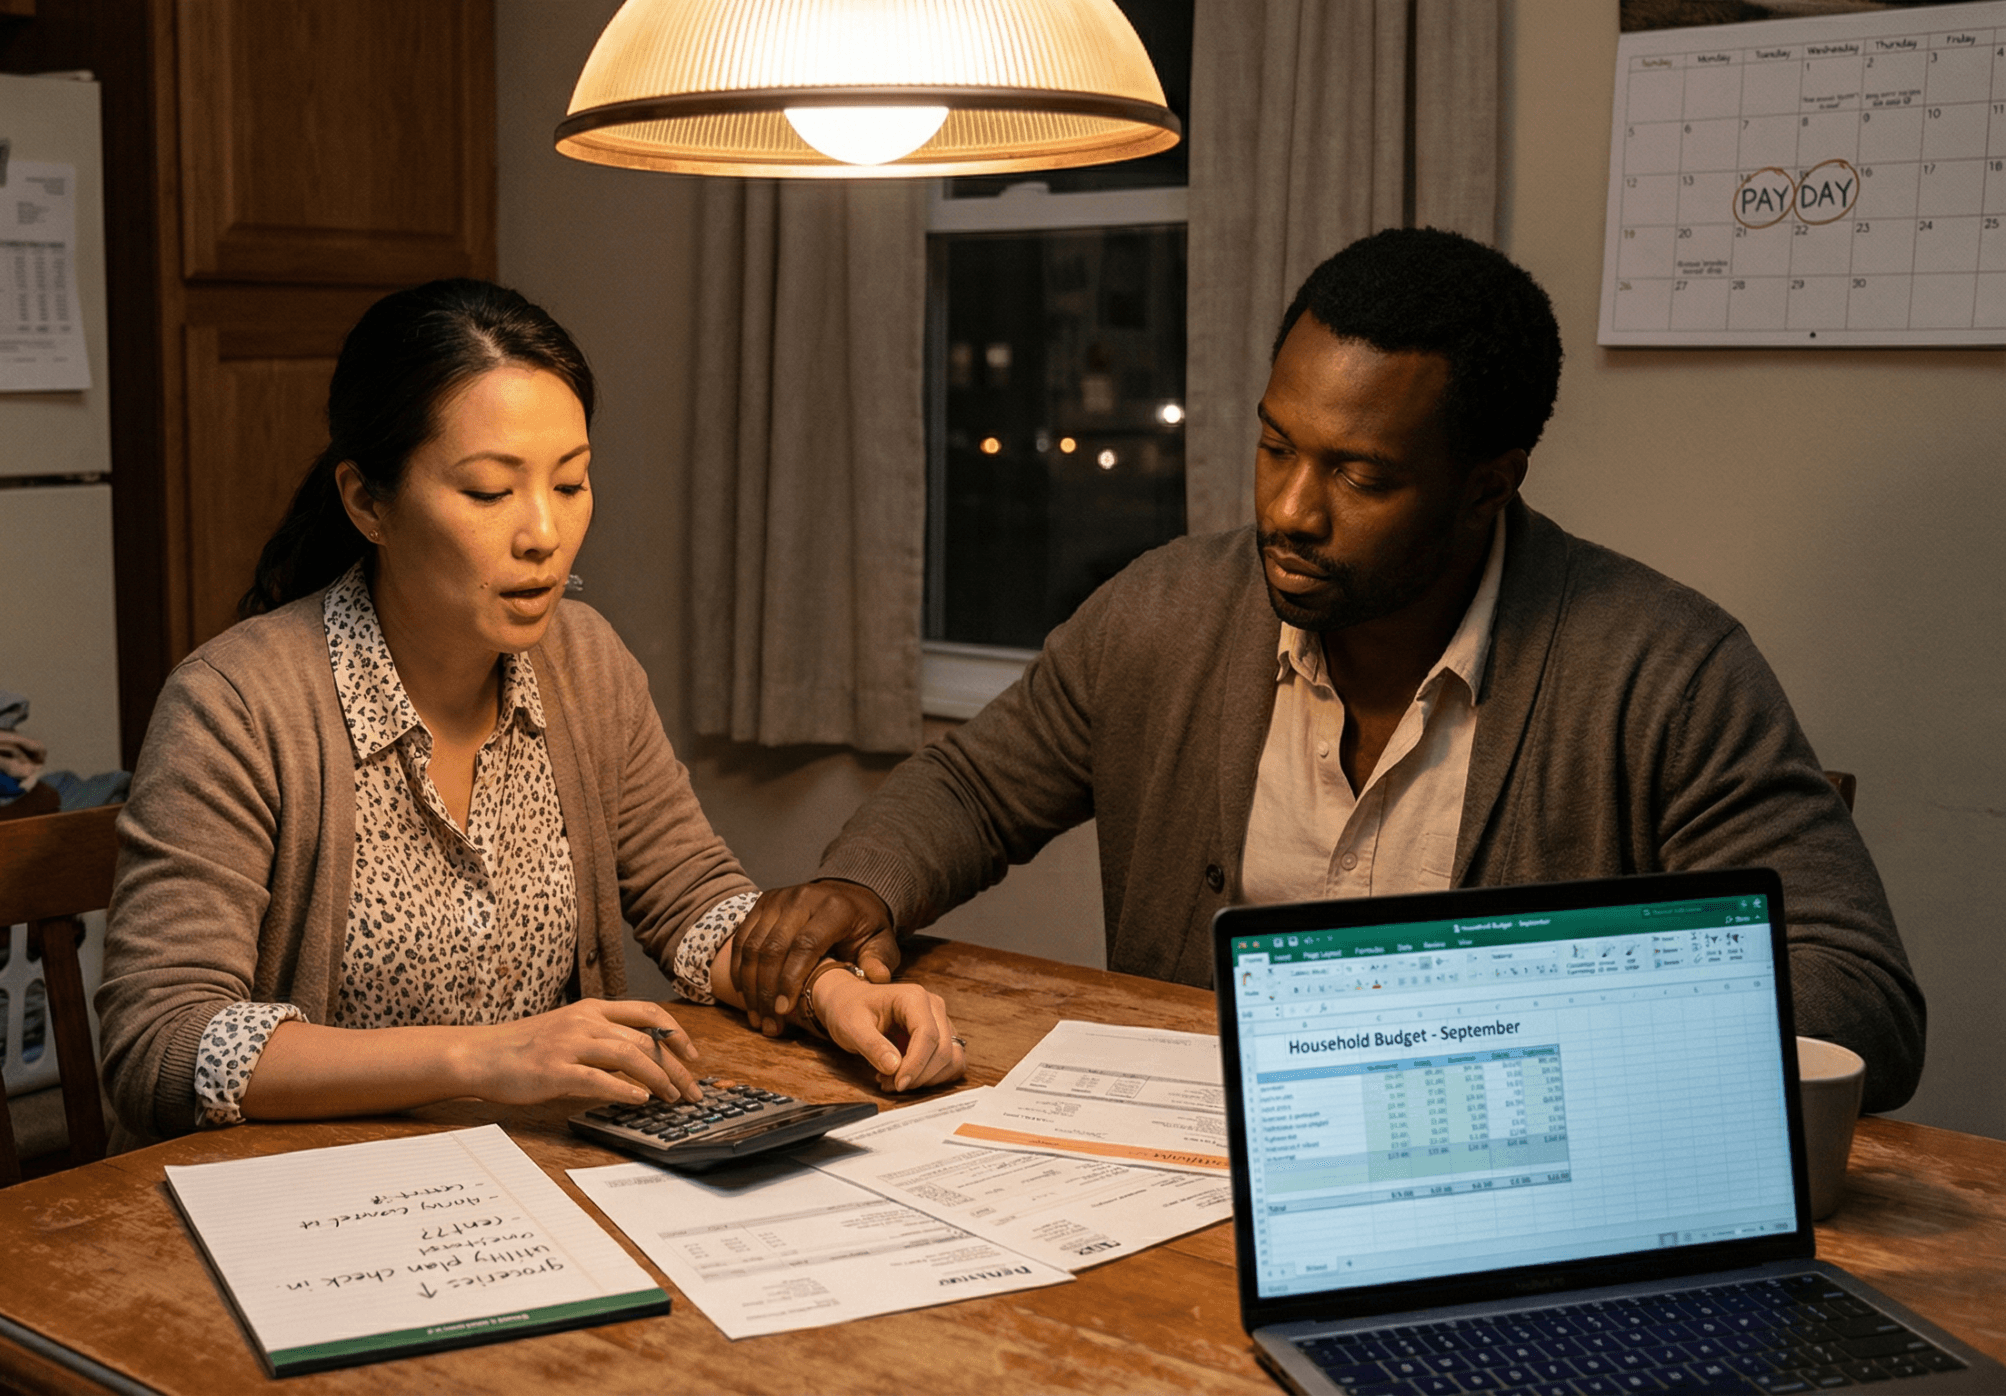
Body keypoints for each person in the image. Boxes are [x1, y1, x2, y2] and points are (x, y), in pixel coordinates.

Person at [729, 228, 1926, 1114]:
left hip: (1496, 1189)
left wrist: (1519, 1037)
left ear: (1488, 483)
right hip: (1187, 1175)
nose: (1288, 510)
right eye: (1273, 444)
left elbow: (1856, 989)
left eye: (1359, 475)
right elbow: (977, 787)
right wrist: (864, 888)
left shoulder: (1663, 668)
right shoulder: (1166, 608)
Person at [96, 279, 965, 1144]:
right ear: (368, 502)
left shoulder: (584, 662)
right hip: (311, 1208)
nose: (543, 532)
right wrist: (483, 1058)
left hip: (535, 1180)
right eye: (488, 492)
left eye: (572, 482)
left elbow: (693, 902)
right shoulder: (237, 706)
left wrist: (827, 989)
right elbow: (164, 1043)